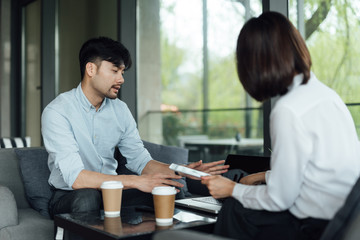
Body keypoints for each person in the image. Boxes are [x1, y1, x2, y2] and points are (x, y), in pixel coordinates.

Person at [201, 11, 360, 240]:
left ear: (254, 63)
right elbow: (315, 168)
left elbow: (279, 199)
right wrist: (263, 176)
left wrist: (232, 189)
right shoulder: (326, 95)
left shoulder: (288, 109)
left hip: (311, 226)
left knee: (234, 210)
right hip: (341, 215)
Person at [41, 36, 228, 220]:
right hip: (70, 195)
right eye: (115, 71)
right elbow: (77, 179)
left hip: (112, 192)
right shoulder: (58, 111)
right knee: (87, 198)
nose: (121, 79)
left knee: (167, 191)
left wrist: (183, 171)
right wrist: (135, 181)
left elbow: (141, 161)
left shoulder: (120, 110)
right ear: (91, 69)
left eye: (122, 72)